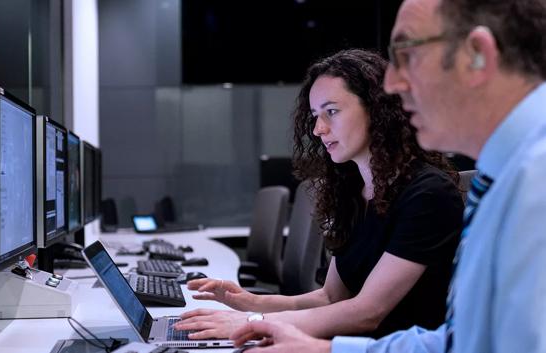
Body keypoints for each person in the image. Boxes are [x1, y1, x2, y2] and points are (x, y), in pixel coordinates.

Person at [230, 0, 546, 352]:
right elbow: (464, 341)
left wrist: (255, 322)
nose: (392, 84)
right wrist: (323, 348)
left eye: (407, 56)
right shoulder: (504, 176)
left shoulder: (534, 180)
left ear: (477, 55)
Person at [175, 49, 463, 340]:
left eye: (332, 112)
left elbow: (368, 313)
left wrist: (252, 321)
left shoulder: (428, 194)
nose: (318, 129)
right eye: (315, 116)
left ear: (377, 109)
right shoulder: (351, 192)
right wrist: (248, 302)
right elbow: (330, 298)